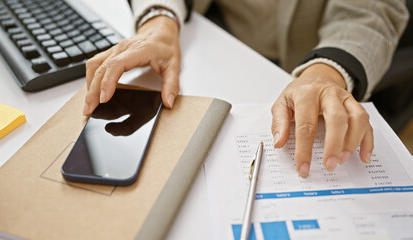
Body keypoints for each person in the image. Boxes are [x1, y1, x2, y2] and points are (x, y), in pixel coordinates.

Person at [82, 0, 409, 178]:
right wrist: (160, 21)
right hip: (223, 52)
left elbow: (373, 10)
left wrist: (327, 72)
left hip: (314, 56)